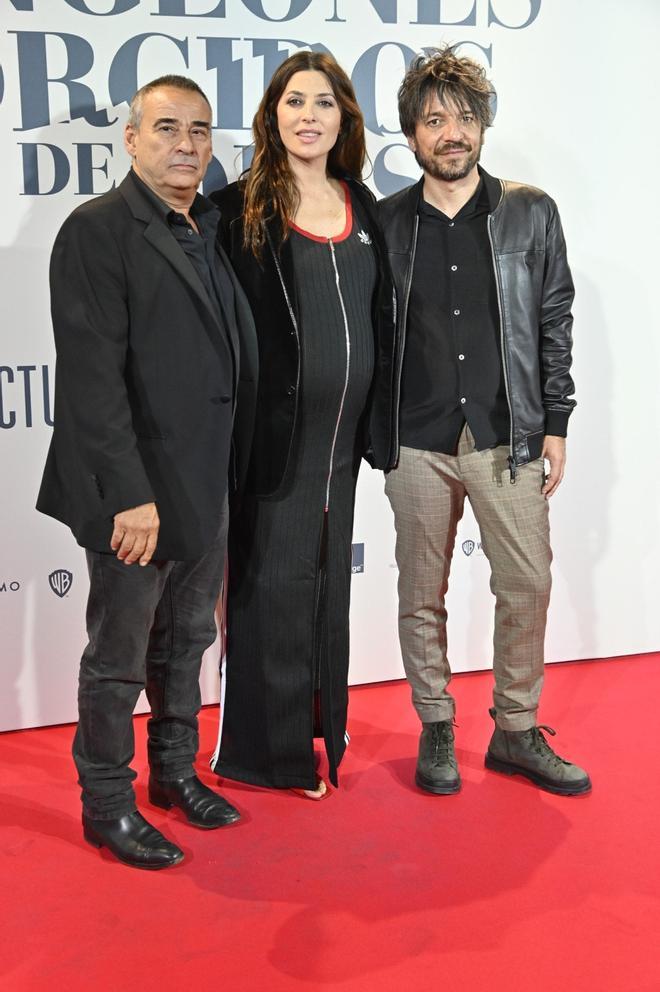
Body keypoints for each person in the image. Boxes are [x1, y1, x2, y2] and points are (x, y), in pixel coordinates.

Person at [37, 75, 258, 868]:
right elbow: (91, 380)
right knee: (120, 657)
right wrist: (130, 495)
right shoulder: (96, 230)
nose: (187, 145)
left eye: (200, 131)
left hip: (204, 483)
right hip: (134, 492)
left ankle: (172, 776)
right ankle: (106, 805)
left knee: (189, 640)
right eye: (167, 128)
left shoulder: (207, 226)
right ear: (130, 139)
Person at [379, 46, 591, 797]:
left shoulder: (531, 212)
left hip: (508, 437)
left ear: (483, 127)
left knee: (527, 584)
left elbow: (553, 321)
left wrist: (555, 422)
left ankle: (516, 728)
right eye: (434, 120)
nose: (452, 132)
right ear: (410, 136)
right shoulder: (384, 225)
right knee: (418, 593)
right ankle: (436, 724)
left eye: (465, 117)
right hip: (414, 441)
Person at [209, 51, 397, 799]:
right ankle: (268, 756)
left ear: (344, 117)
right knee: (271, 592)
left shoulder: (366, 206)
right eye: (295, 101)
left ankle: (324, 734)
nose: (309, 116)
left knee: (326, 597)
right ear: (272, 114)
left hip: (342, 450)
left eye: (324, 102)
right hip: (271, 444)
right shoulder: (237, 208)